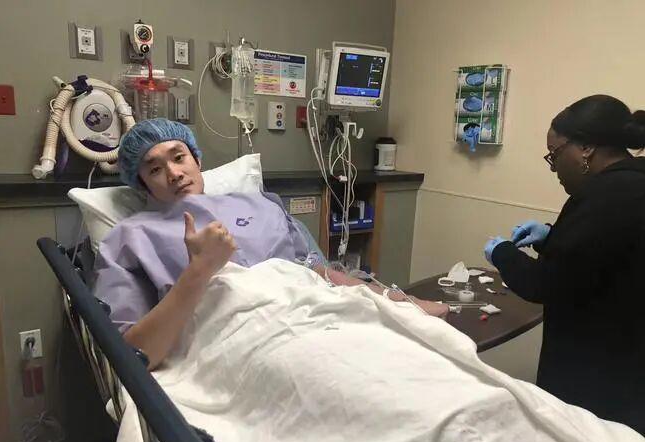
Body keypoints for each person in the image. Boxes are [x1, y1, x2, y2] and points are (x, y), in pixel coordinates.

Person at [94, 119, 448, 370]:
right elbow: (134, 355)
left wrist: (399, 302)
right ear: (142, 185)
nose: (173, 173)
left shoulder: (259, 204)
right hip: (243, 348)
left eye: (178, 157)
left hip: (320, 323)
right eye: (154, 169)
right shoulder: (131, 237)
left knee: (428, 364)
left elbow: (317, 273)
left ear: (197, 160)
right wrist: (199, 271)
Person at [483, 95, 645, 436]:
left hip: (598, 369)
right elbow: (601, 257)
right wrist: (550, 238)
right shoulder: (636, 183)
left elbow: (544, 284)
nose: (554, 167)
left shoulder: (605, 196)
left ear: (586, 147)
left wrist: (502, 253)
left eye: (554, 154)